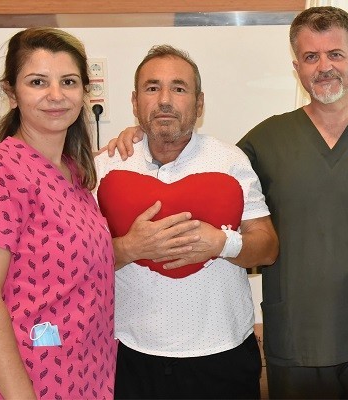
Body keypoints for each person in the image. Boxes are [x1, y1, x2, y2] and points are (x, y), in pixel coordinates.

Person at [107, 6, 348, 398]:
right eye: (311, 56)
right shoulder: (263, 143)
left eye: (335, 54)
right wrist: (141, 135)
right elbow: (198, 167)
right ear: (297, 67)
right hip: (298, 340)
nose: (324, 67)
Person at [94, 45, 278, 399]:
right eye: (152, 88)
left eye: (178, 88)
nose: (164, 100)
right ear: (134, 101)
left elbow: (267, 247)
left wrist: (222, 244)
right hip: (132, 354)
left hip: (223, 355)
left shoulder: (230, 161)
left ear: (199, 103)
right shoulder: (107, 165)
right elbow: (79, 262)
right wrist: (129, 248)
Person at [0, 27, 116, 399]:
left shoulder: (74, 174)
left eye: (68, 82)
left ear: (84, 92)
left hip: (83, 376)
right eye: (38, 82)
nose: (56, 95)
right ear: (11, 93)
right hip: (24, 383)